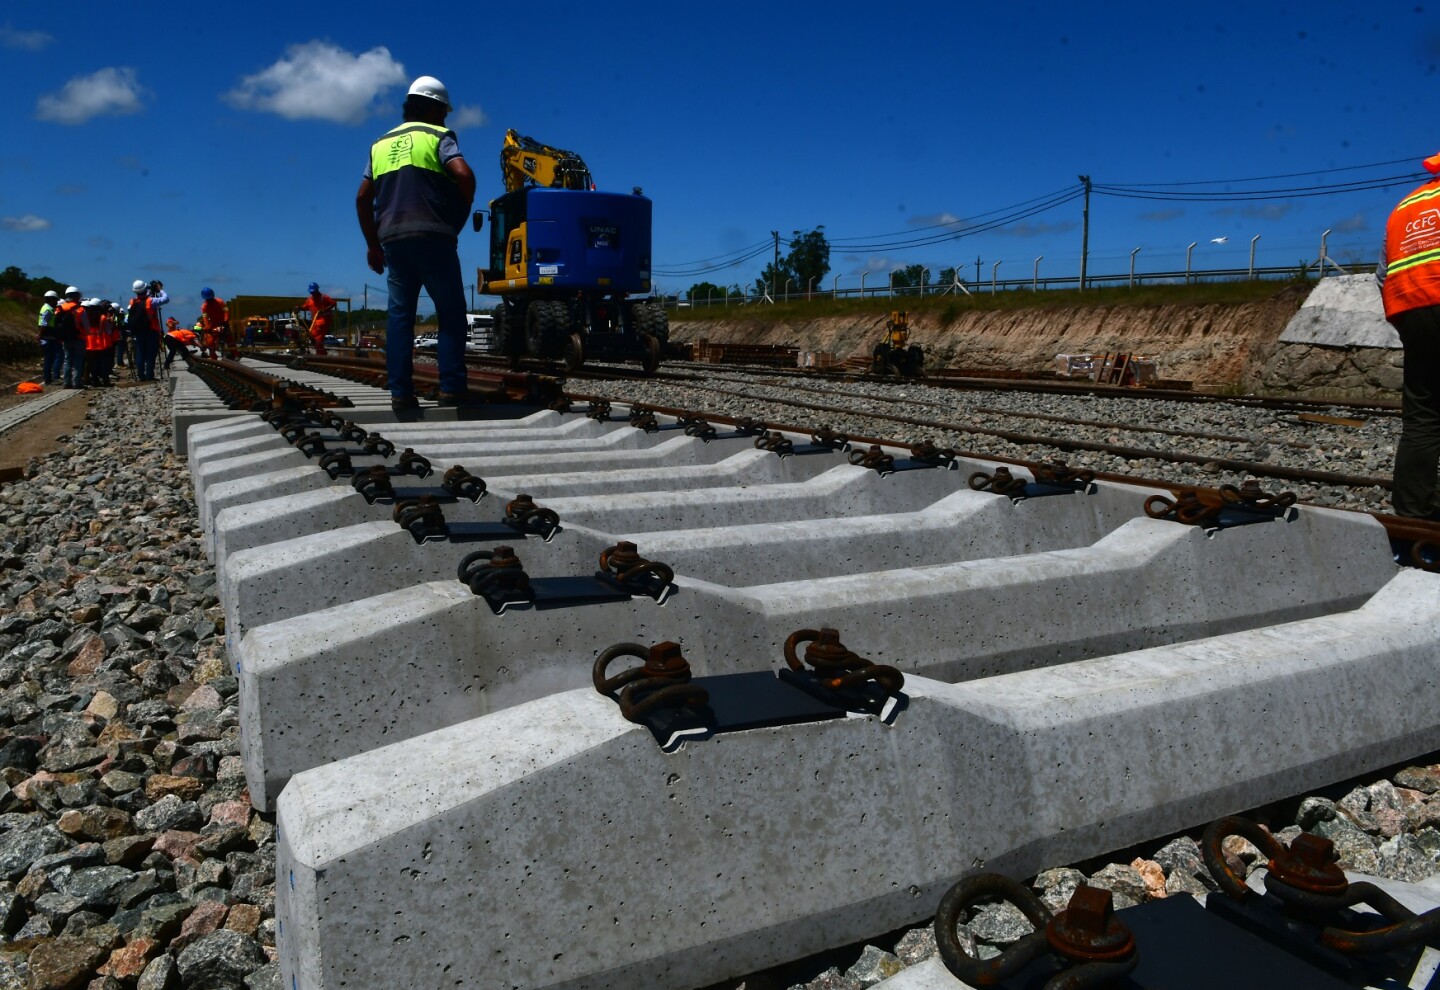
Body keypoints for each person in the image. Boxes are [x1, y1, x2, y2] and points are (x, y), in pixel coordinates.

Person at [355, 74, 475, 410]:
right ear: (435, 109)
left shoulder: (379, 145)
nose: (446, 118)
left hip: (393, 240)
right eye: (444, 112)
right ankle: (451, 388)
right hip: (433, 237)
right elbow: (464, 175)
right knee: (450, 312)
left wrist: (372, 244)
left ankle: (400, 394)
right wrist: (457, 218)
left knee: (400, 317)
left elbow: (363, 199)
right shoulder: (438, 136)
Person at [1379, 151, 1440, 519]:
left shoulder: (1406, 206)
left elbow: (1382, 273)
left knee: (1423, 416)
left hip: (1412, 312)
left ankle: (1412, 513)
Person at [54, 287, 89, 389]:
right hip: (79, 337)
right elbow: (86, 326)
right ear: (76, 296)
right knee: (78, 360)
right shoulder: (80, 309)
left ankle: (66, 382)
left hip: (65, 338)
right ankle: (76, 382)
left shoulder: (60, 308)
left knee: (67, 360)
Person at [128, 280, 162, 381]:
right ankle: (149, 375)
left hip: (138, 332)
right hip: (151, 330)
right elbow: (166, 299)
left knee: (140, 353)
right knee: (151, 354)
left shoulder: (132, 302)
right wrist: (160, 290)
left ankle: (141, 376)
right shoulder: (151, 301)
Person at [297, 282, 335, 356]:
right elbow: (305, 307)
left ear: (317, 290)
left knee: (317, 337)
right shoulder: (309, 300)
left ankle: (320, 355)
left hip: (323, 320)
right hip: (315, 321)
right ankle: (322, 353)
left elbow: (333, 303)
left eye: (314, 292)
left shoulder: (323, 297)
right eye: (311, 292)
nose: (313, 294)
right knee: (311, 336)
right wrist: (299, 308)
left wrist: (324, 309)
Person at [37, 289, 63, 385]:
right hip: (47, 337)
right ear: (51, 299)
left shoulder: (48, 308)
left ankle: (49, 379)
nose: (56, 302)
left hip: (49, 337)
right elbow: (43, 324)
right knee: (49, 359)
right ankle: (48, 380)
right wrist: (39, 335)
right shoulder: (48, 310)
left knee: (50, 358)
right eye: (55, 300)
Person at [199, 287, 233, 359]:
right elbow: (205, 317)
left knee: (229, 338)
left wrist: (225, 319)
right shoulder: (204, 307)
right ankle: (213, 355)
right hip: (213, 324)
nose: (209, 300)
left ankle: (235, 354)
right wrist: (208, 327)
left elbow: (226, 310)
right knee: (210, 341)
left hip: (223, 322)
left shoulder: (220, 301)